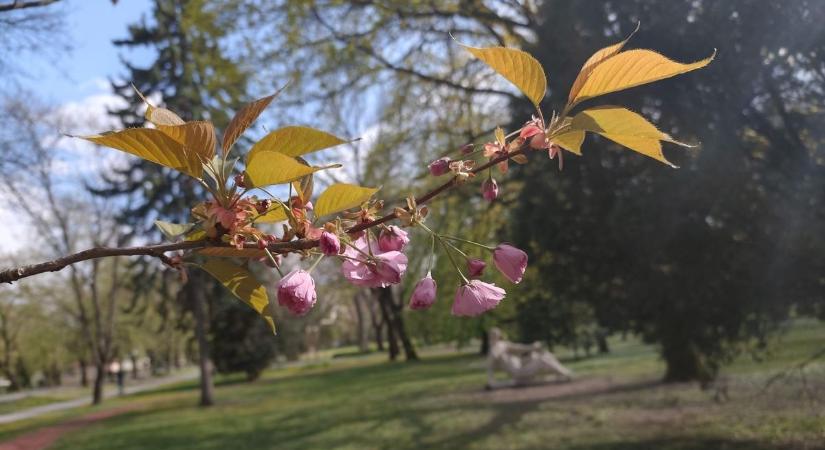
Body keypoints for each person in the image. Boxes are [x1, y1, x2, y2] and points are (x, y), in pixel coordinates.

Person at [486, 327, 572, 389]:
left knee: (543, 355)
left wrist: (532, 347)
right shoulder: (497, 347)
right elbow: (490, 362)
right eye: (493, 335)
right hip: (520, 372)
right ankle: (565, 373)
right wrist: (491, 381)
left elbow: (519, 347)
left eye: (496, 335)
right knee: (542, 359)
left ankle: (563, 373)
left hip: (521, 367)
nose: (495, 337)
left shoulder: (502, 345)